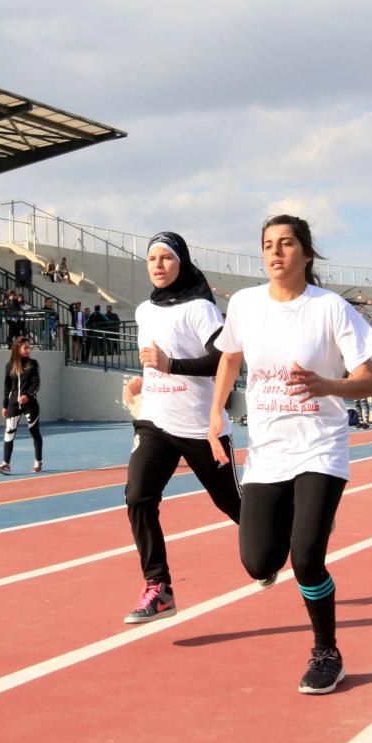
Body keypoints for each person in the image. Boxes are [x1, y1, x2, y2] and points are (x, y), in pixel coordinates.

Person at [207, 214, 372, 695]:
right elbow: (229, 356)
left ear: (306, 253)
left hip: (320, 446)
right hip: (267, 451)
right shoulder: (244, 304)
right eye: (268, 245)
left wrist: (330, 385)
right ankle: (291, 527)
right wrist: (216, 412)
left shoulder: (331, 309)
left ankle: (327, 652)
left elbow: (369, 380)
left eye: (286, 244)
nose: (276, 252)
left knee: (306, 558)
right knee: (259, 562)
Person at [121, 232, 242, 624]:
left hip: (199, 427)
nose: (158, 265)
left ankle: (280, 544)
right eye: (152, 258)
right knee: (138, 497)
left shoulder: (199, 309)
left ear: (182, 263)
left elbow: (222, 359)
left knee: (233, 505)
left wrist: (169, 365)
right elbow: (152, 360)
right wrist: (143, 382)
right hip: (155, 422)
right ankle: (159, 587)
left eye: (166, 259)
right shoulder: (143, 311)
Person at [0, 336, 43, 474]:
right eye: (25, 347)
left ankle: (38, 462)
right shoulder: (9, 365)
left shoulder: (33, 363)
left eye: (29, 347)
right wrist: (5, 405)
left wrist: (27, 396)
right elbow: (7, 387)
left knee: (35, 432)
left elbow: (36, 383)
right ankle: (5, 464)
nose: (28, 350)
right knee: (9, 432)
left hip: (30, 404)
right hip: (13, 404)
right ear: (17, 349)